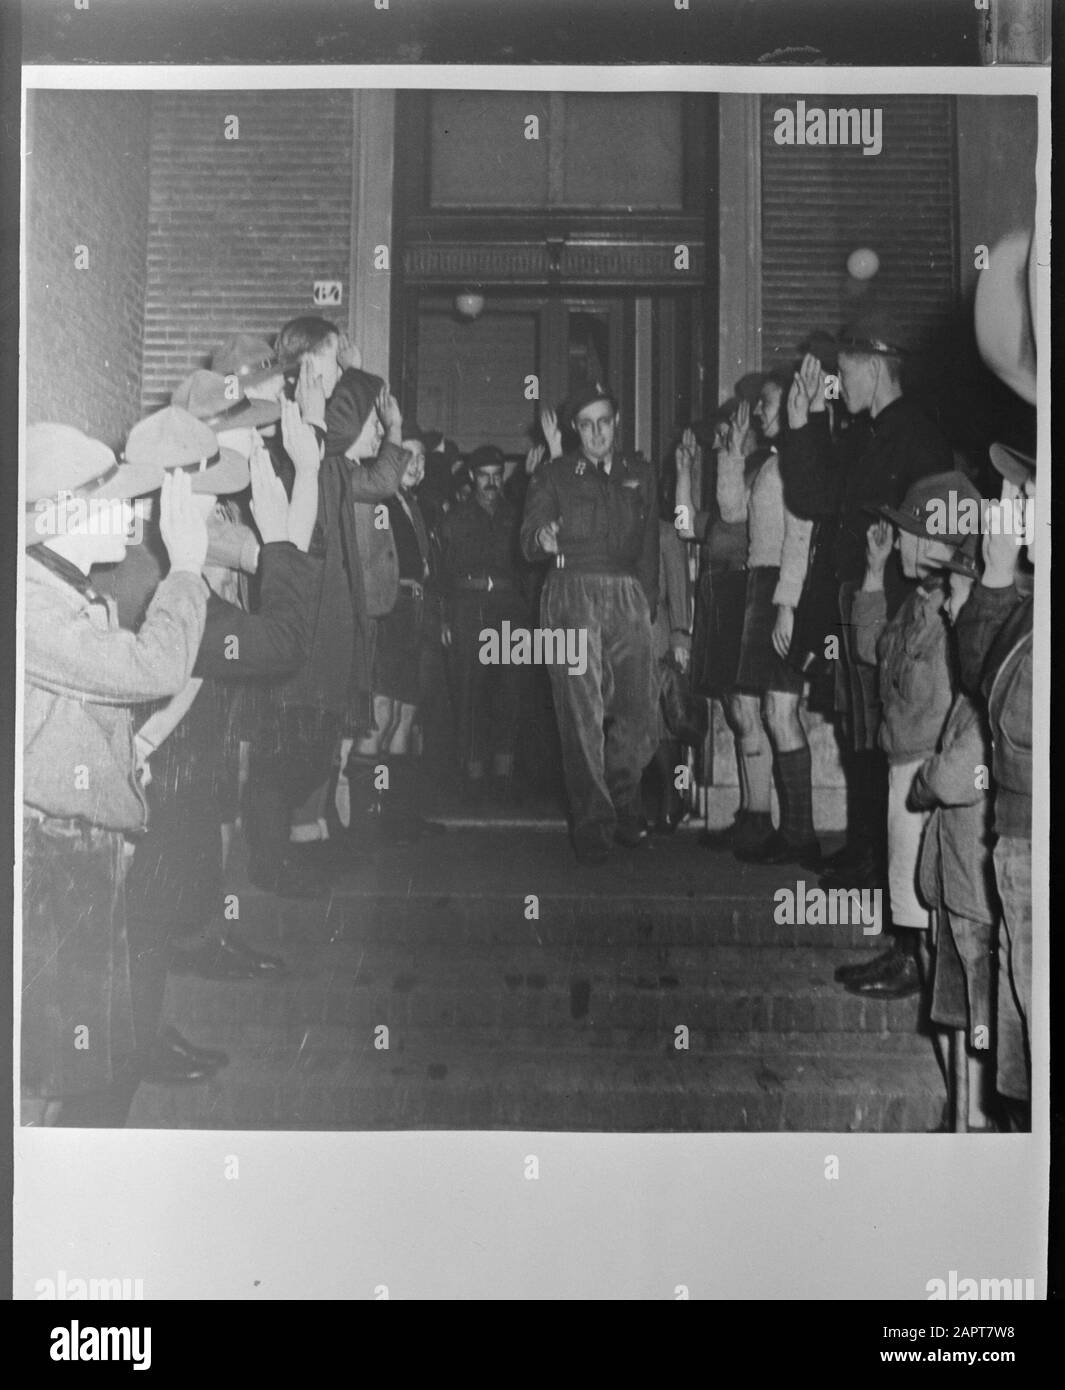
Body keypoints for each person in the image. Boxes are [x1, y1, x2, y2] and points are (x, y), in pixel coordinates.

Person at [22, 426, 208, 1125]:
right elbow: (153, 669)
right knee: (46, 1076)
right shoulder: (33, 605)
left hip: (78, 852)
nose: (135, 516)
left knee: (72, 1064)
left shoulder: (66, 589)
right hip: (54, 859)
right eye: (118, 502)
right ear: (61, 514)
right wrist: (186, 571)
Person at [782, 314, 953, 994]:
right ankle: (880, 889)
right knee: (863, 742)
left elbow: (936, 535)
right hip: (864, 605)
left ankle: (907, 935)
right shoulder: (864, 431)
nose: (835, 379)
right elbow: (815, 496)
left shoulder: (917, 432)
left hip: (898, 617)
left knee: (892, 758)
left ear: (874, 365)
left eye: (843, 367)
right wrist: (800, 426)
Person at [846, 470, 983, 1002]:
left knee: (919, 881)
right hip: (901, 757)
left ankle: (914, 964)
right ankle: (906, 952)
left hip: (927, 766)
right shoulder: (919, 600)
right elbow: (867, 649)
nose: (897, 538)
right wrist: (875, 574)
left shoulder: (954, 611)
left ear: (936, 541)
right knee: (904, 877)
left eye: (907, 531)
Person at [520, 383, 659, 864]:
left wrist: (649, 604)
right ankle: (594, 823)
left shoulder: (638, 473)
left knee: (638, 712)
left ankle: (625, 803)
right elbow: (527, 541)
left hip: (626, 593)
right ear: (574, 431)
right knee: (581, 715)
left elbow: (649, 550)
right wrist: (544, 537)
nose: (597, 433)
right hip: (570, 592)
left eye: (604, 422)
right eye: (586, 425)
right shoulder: (554, 474)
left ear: (617, 423)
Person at [956, 442, 1034, 1129]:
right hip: (1015, 841)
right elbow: (977, 669)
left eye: (1021, 495)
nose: (1005, 509)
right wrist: (996, 575)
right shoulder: (1027, 600)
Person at [909, 559, 999, 1132]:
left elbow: (953, 775)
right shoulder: (973, 676)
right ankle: (962, 1125)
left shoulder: (990, 678)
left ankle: (982, 1128)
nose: (947, 604)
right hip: (955, 885)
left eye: (957, 592)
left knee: (981, 1019)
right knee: (961, 1014)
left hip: (974, 888)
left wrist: (927, 777)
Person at [717, 370, 818, 865]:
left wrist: (787, 604)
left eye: (767, 403)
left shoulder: (798, 463)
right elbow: (732, 513)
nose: (759, 411)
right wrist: (732, 451)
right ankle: (783, 828)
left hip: (782, 588)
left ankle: (801, 834)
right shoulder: (772, 464)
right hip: (763, 586)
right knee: (771, 711)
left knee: (781, 712)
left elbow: (799, 537)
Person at [674, 404, 775, 854]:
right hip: (720, 597)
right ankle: (751, 813)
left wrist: (728, 457)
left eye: (727, 430)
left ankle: (759, 816)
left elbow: (734, 518)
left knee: (747, 711)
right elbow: (685, 527)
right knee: (736, 711)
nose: (720, 440)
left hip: (743, 594)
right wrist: (684, 471)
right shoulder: (730, 479)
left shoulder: (759, 475)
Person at [438, 444, 533, 804]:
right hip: (468, 608)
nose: (491, 483)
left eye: (497, 476)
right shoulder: (454, 519)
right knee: (470, 692)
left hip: (509, 609)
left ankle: (504, 775)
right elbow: (442, 574)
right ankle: (474, 775)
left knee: (509, 691)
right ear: (472, 478)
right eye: (484, 477)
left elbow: (529, 568)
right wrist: (446, 617)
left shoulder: (518, 516)